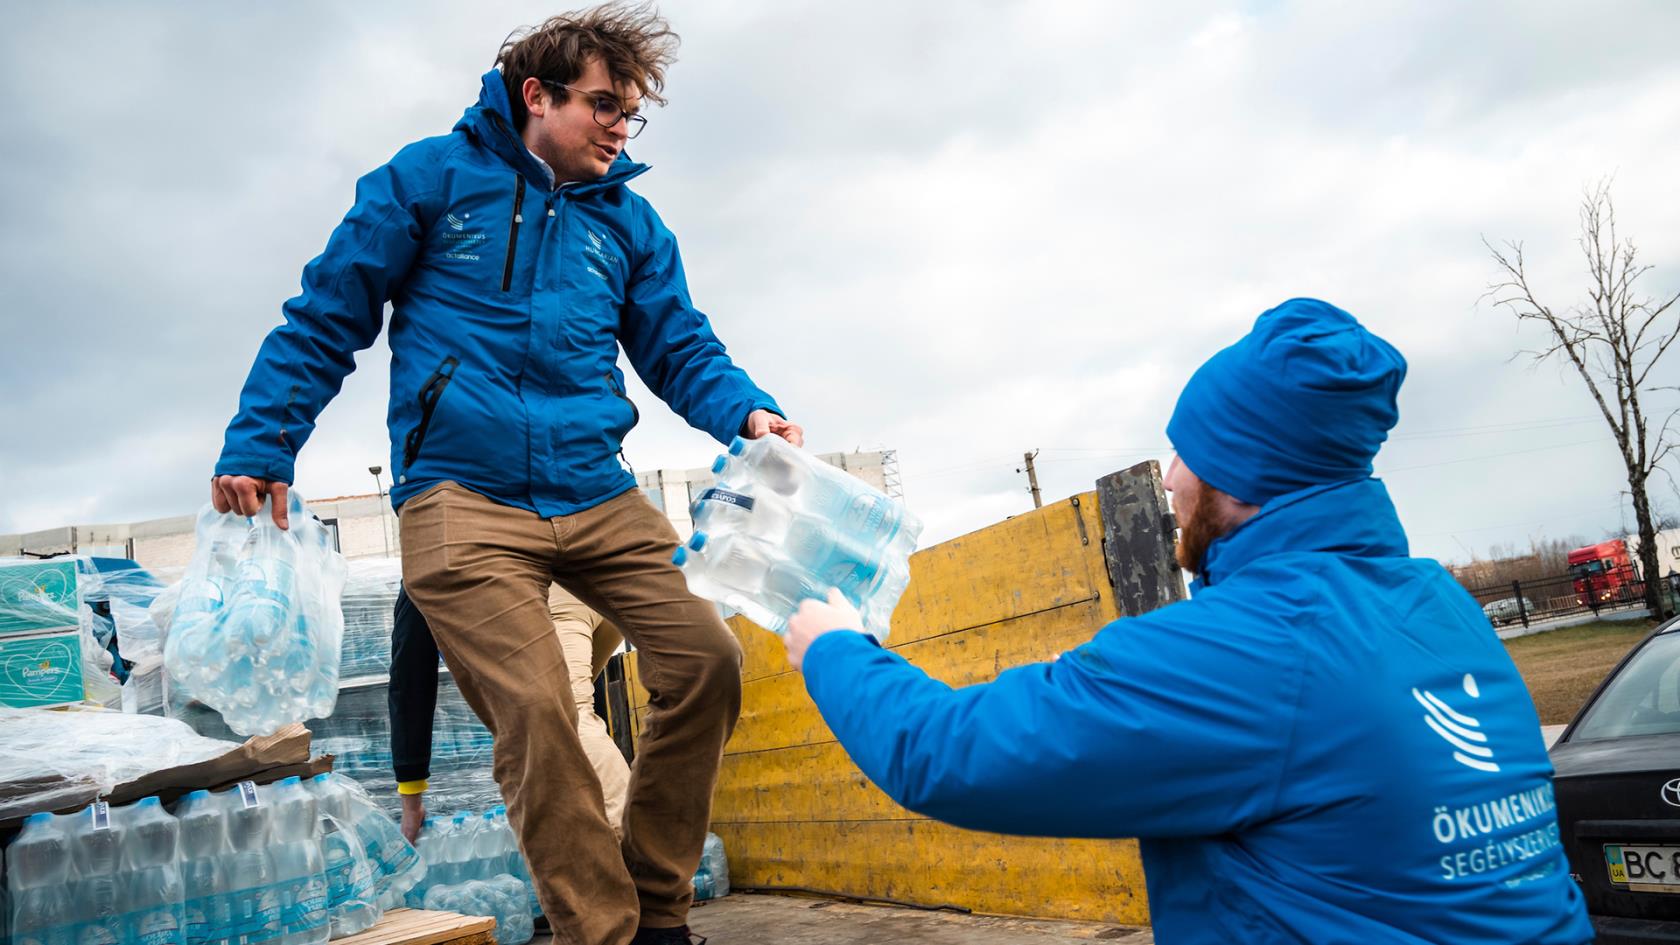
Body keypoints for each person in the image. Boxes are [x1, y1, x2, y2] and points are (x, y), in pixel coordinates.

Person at [209, 6, 799, 942]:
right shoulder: (429, 179)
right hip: (459, 496)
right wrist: (260, 442)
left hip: (595, 490)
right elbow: (327, 314)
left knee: (707, 662)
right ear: (538, 94)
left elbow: (680, 344)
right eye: (605, 105)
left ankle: (658, 906)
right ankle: (600, 931)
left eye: (631, 114)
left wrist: (748, 410)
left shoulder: (629, 223)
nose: (620, 127)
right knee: (537, 712)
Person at [784, 299, 1592, 944]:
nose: (1170, 476)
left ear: (1244, 476)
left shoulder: (1253, 649)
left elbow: (950, 755)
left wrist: (834, 648)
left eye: (1187, 452)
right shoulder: (1441, 606)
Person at [389, 583, 629, 846]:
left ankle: (634, 856)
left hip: (554, 596)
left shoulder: (425, 571)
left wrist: (411, 798)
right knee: (554, 727)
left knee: (566, 719)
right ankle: (583, 847)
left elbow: (410, 682)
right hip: (602, 589)